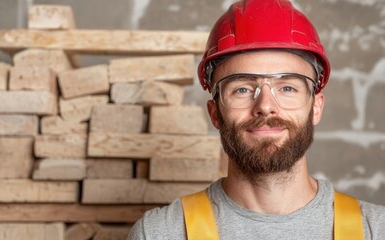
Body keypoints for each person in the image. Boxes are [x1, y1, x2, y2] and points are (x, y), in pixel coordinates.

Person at [127, 0, 385, 239]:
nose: (265, 107)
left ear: (316, 107)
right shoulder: (161, 233)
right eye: (242, 89)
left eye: (287, 88)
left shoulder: (375, 230)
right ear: (214, 113)